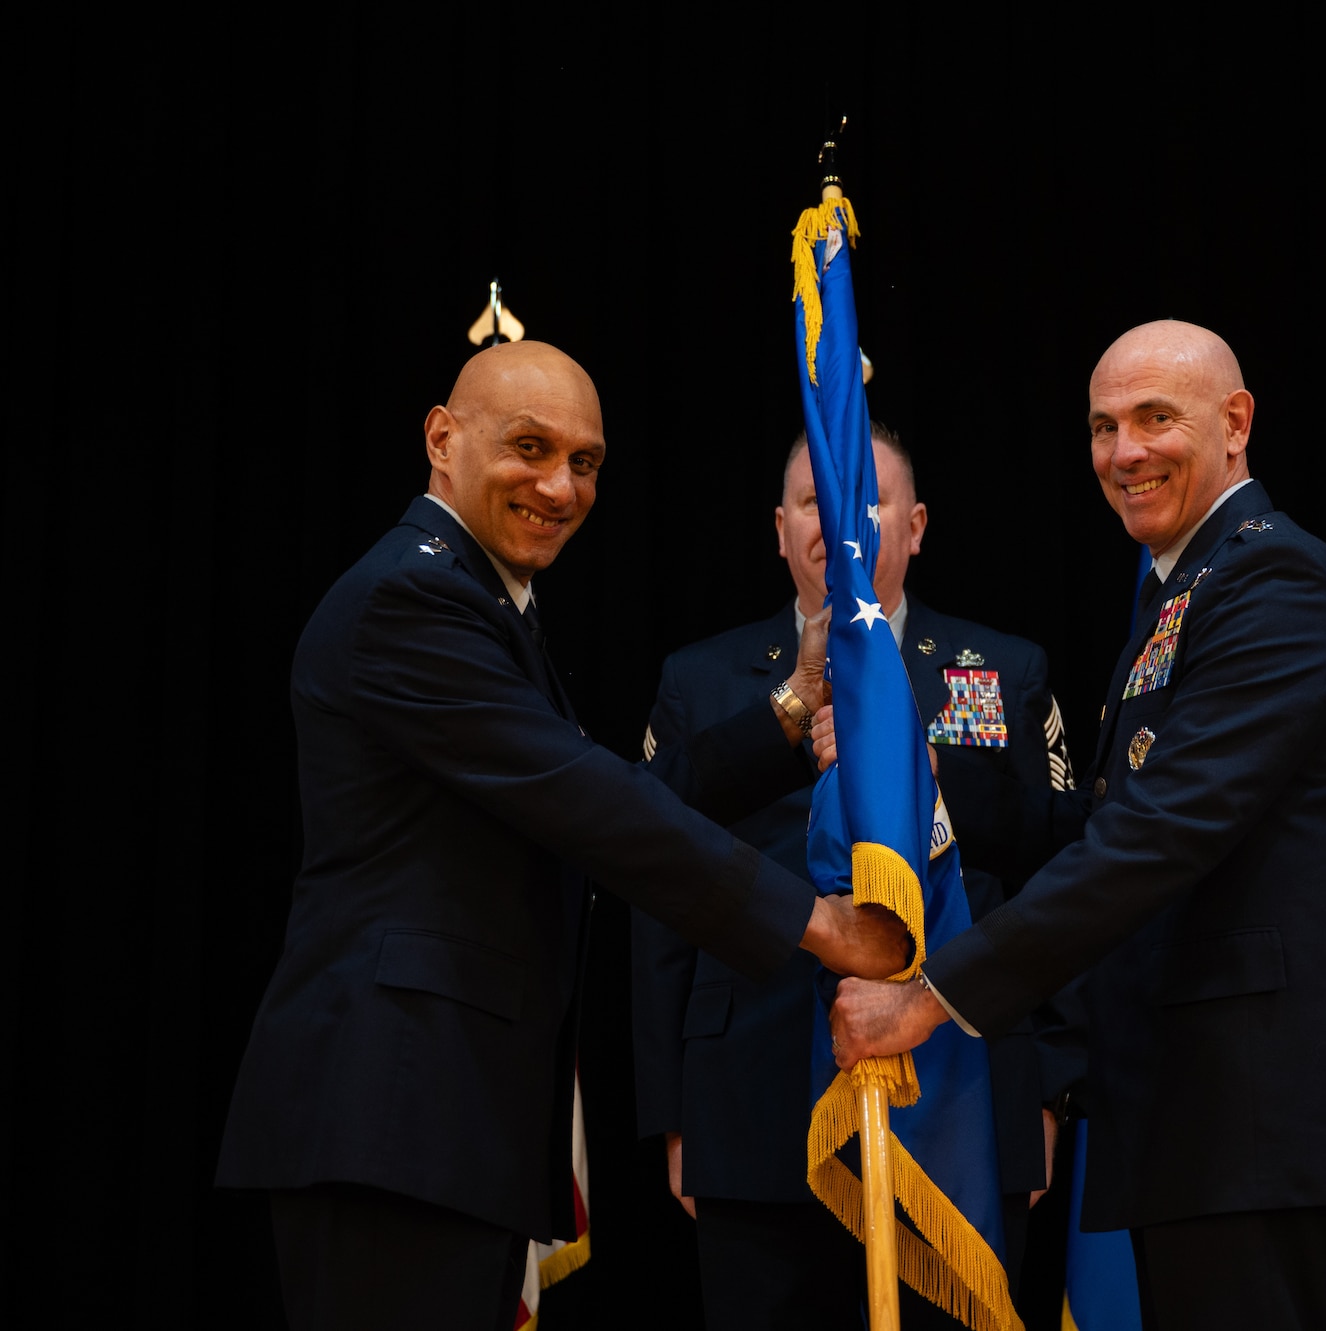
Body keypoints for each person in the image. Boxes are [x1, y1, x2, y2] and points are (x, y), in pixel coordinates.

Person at [214, 341, 907, 1331]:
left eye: (584, 462)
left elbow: (598, 797)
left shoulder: (483, 599)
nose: (559, 485)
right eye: (530, 448)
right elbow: (595, 805)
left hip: (439, 1122)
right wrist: (823, 927)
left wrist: (791, 707)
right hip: (391, 1116)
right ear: (441, 440)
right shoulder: (410, 600)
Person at [825, 322, 1326, 1330]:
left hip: (1260, 1119)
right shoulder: (1181, 592)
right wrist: (926, 782)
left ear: (1235, 423)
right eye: (1103, 426)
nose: (1123, 452)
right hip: (1198, 1119)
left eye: (1157, 418)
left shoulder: (1272, 584)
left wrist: (929, 998)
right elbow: (1107, 820)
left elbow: (1155, 836)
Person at [631, 423, 1078, 1330]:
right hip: (751, 1102)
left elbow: (1064, 870)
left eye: (870, 500)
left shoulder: (1001, 668)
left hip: (964, 1098)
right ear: (780, 526)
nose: (844, 521)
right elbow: (657, 896)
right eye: (816, 501)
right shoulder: (701, 679)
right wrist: (673, 1113)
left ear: (916, 526)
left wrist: (1053, 1087)